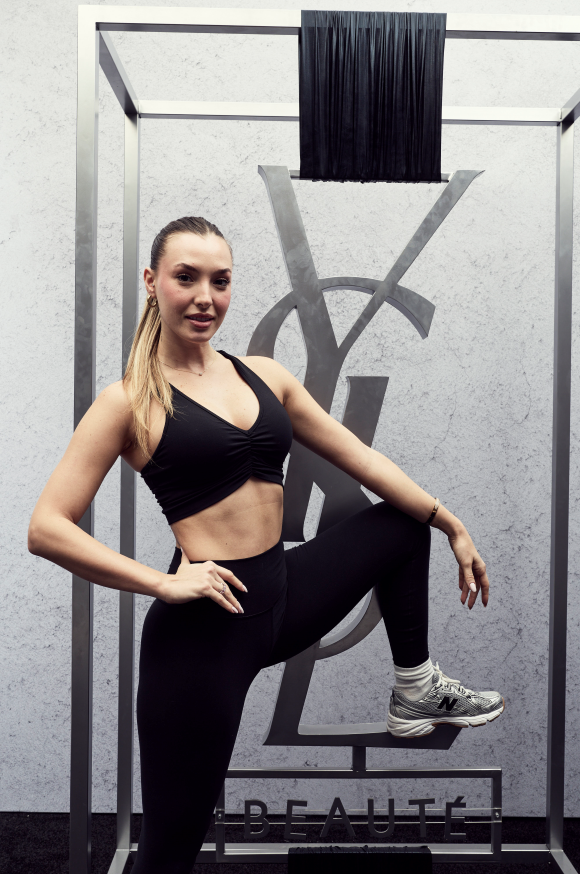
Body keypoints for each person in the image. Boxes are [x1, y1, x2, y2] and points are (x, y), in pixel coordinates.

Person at [28, 216, 504, 874]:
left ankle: (415, 689)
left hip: (282, 597)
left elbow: (361, 459)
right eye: (186, 278)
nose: (205, 297)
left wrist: (451, 523)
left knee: (402, 525)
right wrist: (163, 582)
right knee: (169, 853)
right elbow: (47, 526)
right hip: (204, 634)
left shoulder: (263, 375)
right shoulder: (128, 401)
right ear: (152, 282)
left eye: (219, 281)